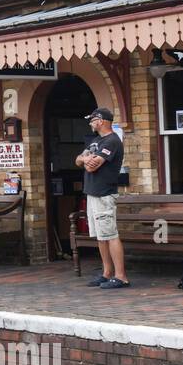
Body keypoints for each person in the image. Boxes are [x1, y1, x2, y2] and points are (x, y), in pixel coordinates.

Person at [76, 108, 128, 289]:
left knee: (111, 234)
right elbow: (77, 159)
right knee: (100, 236)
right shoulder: (96, 141)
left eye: (92, 120)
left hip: (104, 193)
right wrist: (84, 159)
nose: (90, 123)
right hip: (92, 193)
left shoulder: (113, 141)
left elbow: (92, 167)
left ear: (101, 120)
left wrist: (86, 160)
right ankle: (107, 273)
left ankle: (121, 276)